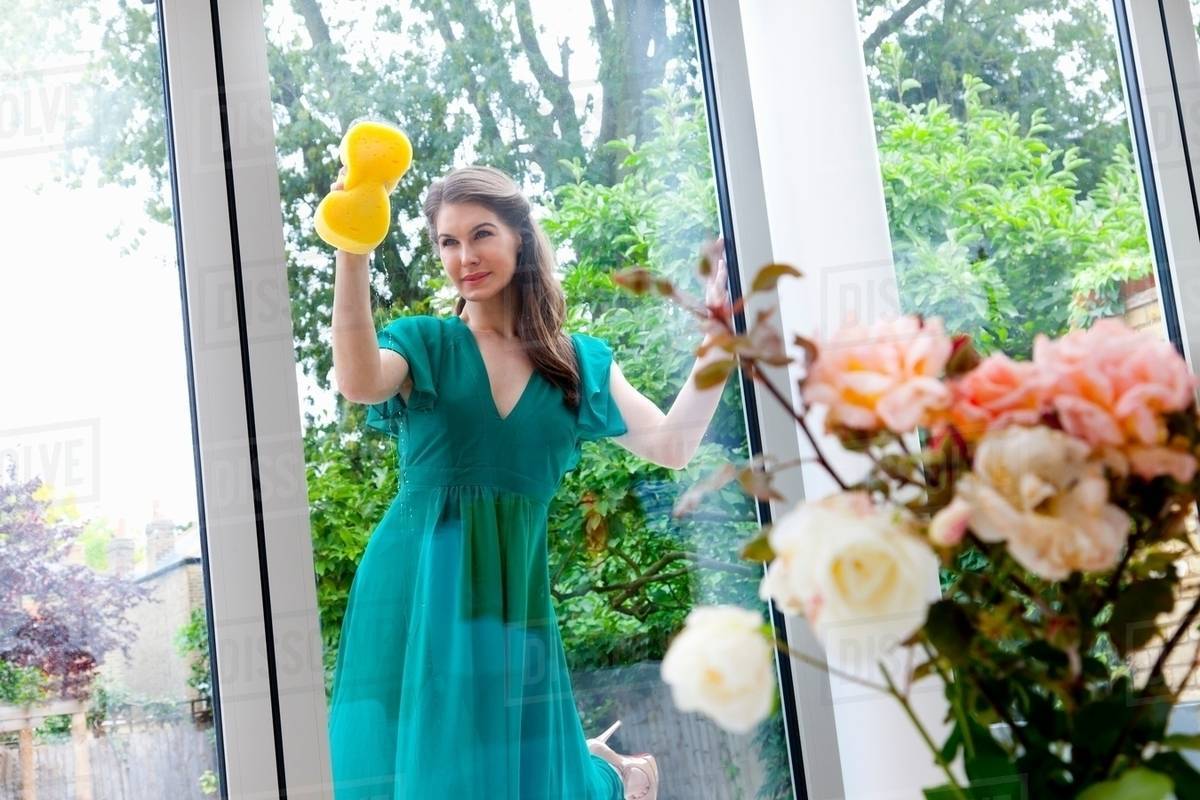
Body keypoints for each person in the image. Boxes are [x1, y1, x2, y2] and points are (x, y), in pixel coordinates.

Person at [326, 164, 730, 799]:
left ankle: (615, 774)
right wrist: (353, 250)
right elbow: (357, 379)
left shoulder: (574, 364)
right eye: (447, 242)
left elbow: (673, 445)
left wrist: (721, 342)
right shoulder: (424, 343)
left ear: (520, 237)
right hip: (412, 587)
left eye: (481, 234)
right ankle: (601, 764)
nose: (465, 257)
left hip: (512, 602)